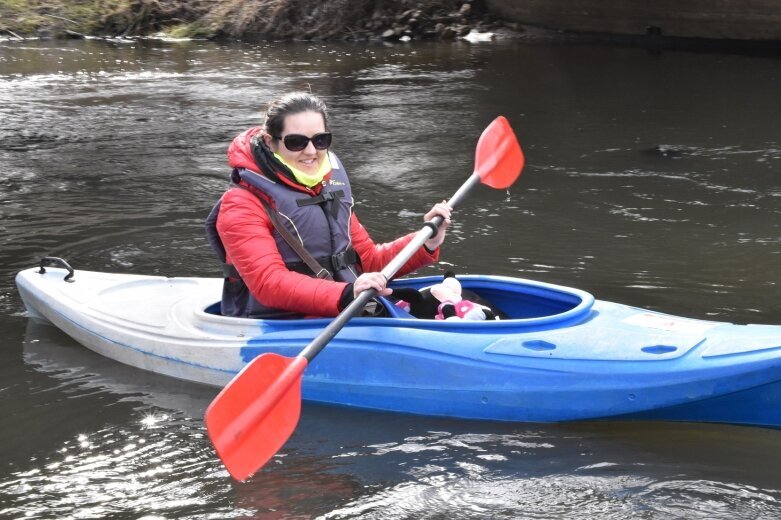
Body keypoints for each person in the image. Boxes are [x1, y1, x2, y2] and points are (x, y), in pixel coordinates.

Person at [205, 91, 452, 318]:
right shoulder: (241, 204)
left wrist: (425, 241)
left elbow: (368, 261)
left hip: (343, 306)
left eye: (320, 140)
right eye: (296, 142)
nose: (311, 151)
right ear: (271, 142)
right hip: (280, 321)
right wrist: (347, 293)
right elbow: (269, 283)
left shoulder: (328, 188)